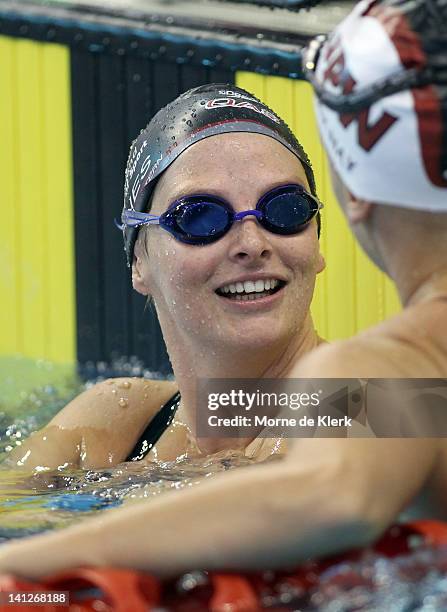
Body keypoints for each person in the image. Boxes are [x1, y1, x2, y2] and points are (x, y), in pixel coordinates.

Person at [1, 0, 446, 579]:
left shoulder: (359, 386)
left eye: (284, 210)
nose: (251, 241)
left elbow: (330, 490)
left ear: (328, 225)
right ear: (138, 260)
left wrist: (23, 569)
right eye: (200, 217)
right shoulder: (123, 417)